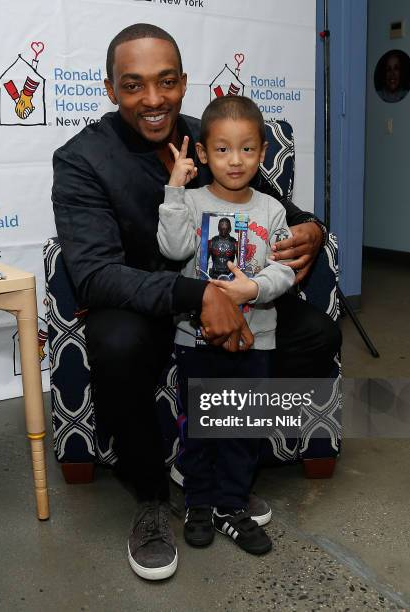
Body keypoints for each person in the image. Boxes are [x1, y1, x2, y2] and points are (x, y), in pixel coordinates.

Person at [52, 23, 341, 581]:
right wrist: (199, 296)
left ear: (183, 83)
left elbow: (276, 205)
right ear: (111, 90)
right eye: (134, 85)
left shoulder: (207, 134)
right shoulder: (83, 159)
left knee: (316, 337)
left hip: (230, 292)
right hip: (141, 302)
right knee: (114, 344)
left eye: (165, 82)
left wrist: (311, 228)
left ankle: (218, 464)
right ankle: (153, 501)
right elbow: (92, 274)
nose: (153, 99)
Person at [158, 95, 295, 555]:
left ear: (261, 152)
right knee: (199, 424)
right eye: (222, 149)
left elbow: (285, 269)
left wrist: (250, 290)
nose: (235, 161)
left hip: (258, 340)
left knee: (242, 428)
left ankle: (231, 506)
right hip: (196, 338)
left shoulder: (272, 211)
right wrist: (175, 189)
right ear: (202, 152)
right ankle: (198, 501)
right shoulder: (192, 203)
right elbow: (175, 250)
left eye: (247, 149)